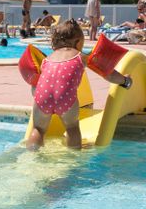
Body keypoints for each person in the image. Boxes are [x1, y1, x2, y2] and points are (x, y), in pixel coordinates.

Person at [27, 19, 132, 150]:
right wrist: (125, 81)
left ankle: (32, 152)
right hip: (65, 99)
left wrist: (36, 94)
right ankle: (74, 154)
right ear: (77, 42)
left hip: (42, 97)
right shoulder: (80, 57)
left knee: (38, 128)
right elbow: (107, 73)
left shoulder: (46, 60)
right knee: (72, 128)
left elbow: (36, 84)